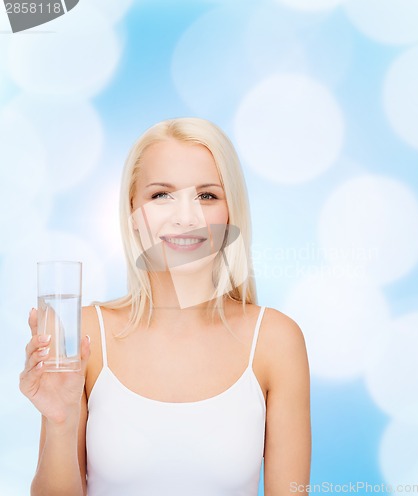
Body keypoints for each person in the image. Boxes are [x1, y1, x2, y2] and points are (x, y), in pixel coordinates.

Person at [20, 118, 311, 496]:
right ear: (133, 213)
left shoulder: (275, 342)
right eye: (161, 195)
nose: (185, 217)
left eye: (207, 196)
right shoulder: (84, 335)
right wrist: (59, 421)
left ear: (230, 213)